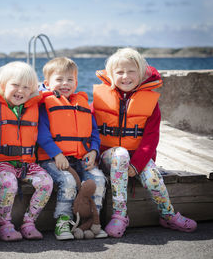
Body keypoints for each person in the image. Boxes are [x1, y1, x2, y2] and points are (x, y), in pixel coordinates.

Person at [92, 47, 197, 238]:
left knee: (153, 177)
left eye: (131, 71)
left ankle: (168, 215)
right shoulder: (100, 99)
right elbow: (91, 131)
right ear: (111, 75)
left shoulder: (150, 103)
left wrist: (137, 164)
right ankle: (120, 215)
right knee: (121, 154)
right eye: (120, 72)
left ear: (140, 73)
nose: (126, 76)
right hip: (109, 158)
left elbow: (151, 138)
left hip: (137, 158)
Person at [0, 61, 53, 241]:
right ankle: (4, 225)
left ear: (32, 90)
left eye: (26, 87)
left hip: (26, 164)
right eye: (15, 85)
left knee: (46, 182)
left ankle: (29, 222)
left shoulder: (33, 107)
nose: (20, 91)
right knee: (9, 182)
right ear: (3, 85)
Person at [37, 57, 107, 240]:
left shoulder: (82, 104)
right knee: (67, 181)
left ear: (76, 82)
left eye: (70, 80)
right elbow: (41, 134)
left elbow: (94, 134)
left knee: (98, 179)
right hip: (53, 160)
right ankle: (64, 221)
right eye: (59, 80)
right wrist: (56, 154)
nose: (65, 84)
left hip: (82, 158)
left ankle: (93, 221)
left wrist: (94, 151)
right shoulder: (45, 105)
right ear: (47, 83)